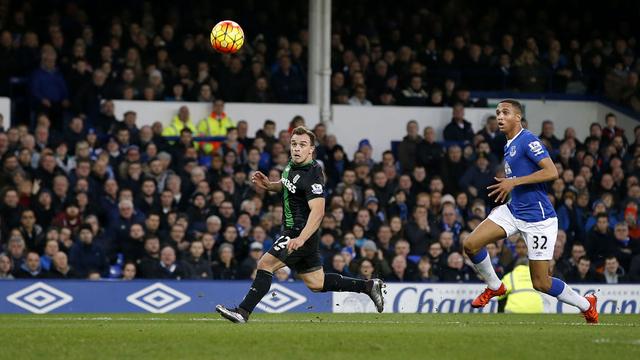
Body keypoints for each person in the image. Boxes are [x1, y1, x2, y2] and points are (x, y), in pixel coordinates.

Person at [216, 127, 385, 323]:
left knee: (265, 264)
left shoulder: (312, 176)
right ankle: (368, 286)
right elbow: (289, 184)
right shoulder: (291, 166)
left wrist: (301, 238)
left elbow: (318, 211)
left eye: (302, 145)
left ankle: (242, 312)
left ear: (311, 150)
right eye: (294, 144)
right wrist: (271, 185)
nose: (297, 148)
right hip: (298, 234)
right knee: (316, 282)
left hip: (299, 232)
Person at [462, 99, 599, 324]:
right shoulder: (509, 144)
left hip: (539, 220)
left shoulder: (528, 140)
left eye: (505, 112)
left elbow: (552, 171)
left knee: (541, 283)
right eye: (497, 113)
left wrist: (513, 182)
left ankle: (586, 304)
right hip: (514, 210)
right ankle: (495, 286)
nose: (499, 117)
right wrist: (512, 191)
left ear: (518, 117)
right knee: (471, 244)